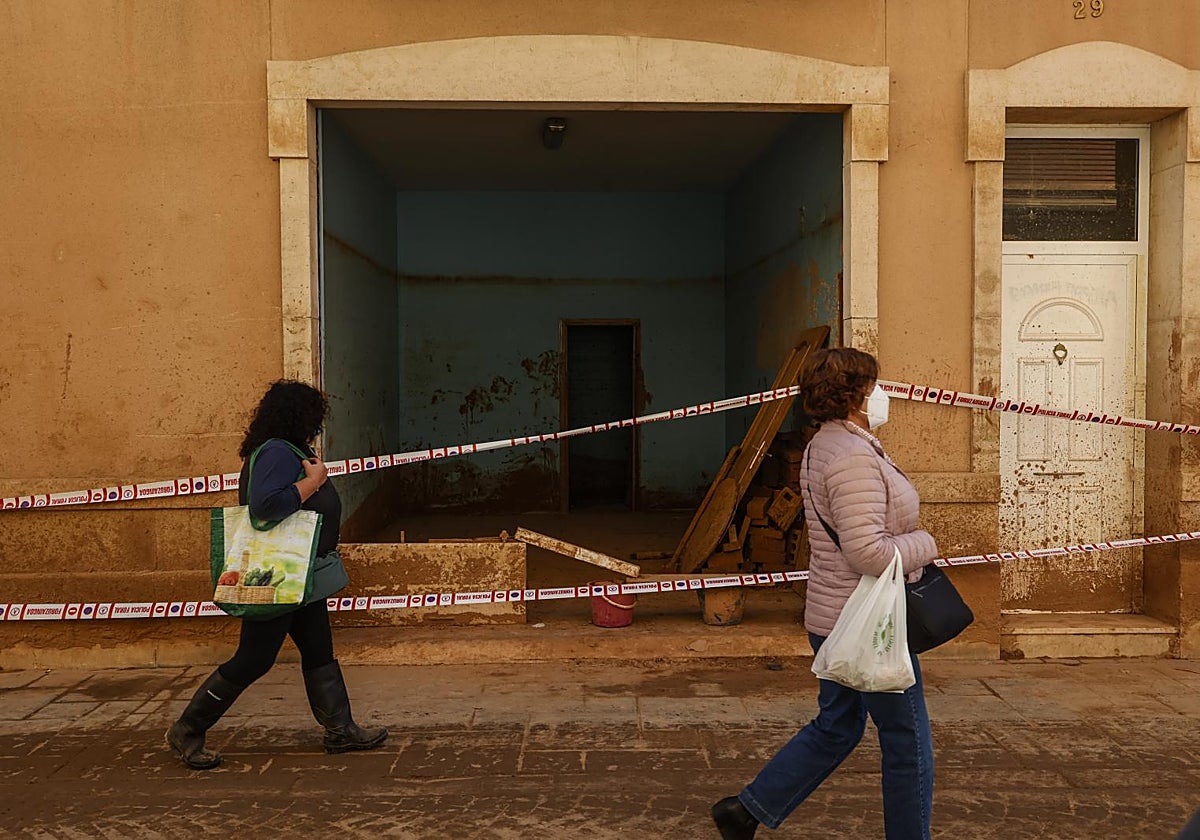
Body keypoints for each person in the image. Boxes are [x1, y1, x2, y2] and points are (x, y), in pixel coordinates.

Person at [711, 348, 938, 839]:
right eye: (875, 385)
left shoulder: (827, 444)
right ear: (855, 395)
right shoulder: (852, 457)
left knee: (838, 726)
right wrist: (926, 543)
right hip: (865, 625)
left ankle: (745, 811)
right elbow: (868, 553)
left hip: (834, 616)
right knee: (908, 742)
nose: (882, 394)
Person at [166, 380, 387, 769]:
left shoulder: (285, 450)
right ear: (300, 417)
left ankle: (340, 729)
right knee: (254, 659)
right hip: (278, 573)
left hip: (302, 574)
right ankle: (187, 728)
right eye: (314, 419)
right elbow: (265, 507)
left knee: (319, 651)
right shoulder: (276, 453)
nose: (316, 427)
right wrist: (313, 483)